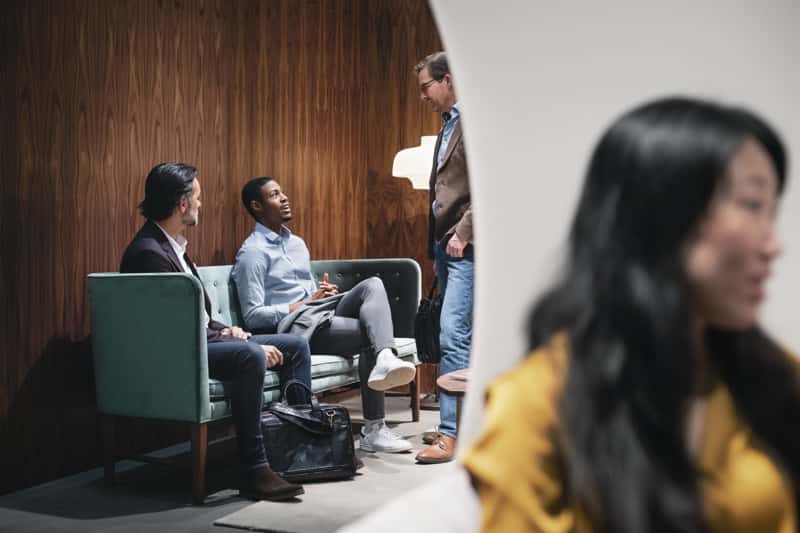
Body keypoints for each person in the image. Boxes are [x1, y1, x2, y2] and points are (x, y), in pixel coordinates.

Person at [462, 97, 800, 532]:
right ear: (663, 213)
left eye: (772, 213)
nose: (773, 246)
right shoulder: (537, 406)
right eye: (752, 206)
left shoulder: (776, 377)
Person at [120, 162, 312, 502]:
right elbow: (172, 331)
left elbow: (200, 317)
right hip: (174, 352)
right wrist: (234, 340)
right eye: (197, 198)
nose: (200, 205)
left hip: (198, 341)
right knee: (249, 354)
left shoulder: (173, 247)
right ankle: (254, 467)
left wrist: (230, 330)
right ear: (182, 204)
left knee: (294, 345)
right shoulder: (148, 253)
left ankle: (299, 447)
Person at [231, 177, 417, 454]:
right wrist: (304, 302)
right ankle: (374, 430)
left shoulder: (296, 243)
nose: (284, 198)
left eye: (283, 192)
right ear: (256, 206)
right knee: (369, 334)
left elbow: (308, 294)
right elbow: (253, 316)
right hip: (295, 329)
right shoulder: (252, 254)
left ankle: (385, 356)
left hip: (320, 313)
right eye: (274, 195)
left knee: (373, 285)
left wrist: (322, 293)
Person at [414, 51, 474, 464]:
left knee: (454, 334)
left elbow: (491, 184)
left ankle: (452, 434)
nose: (423, 96)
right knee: (452, 332)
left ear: (448, 80)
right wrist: (437, 246)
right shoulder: (447, 125)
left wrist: (464, 233)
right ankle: (460, 426)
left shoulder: (474, 123)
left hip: (468, 245)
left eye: (426, 87)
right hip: (446, 246)